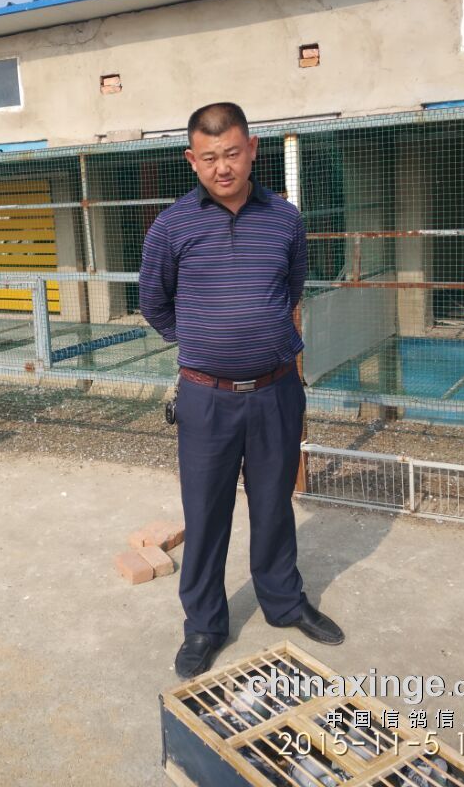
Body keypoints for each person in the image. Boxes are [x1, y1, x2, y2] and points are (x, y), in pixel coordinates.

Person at [139, 102, 345, 679]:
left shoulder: (285, 219)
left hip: (277, 391)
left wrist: (256, 331)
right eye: (209, 158)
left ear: (252, 149)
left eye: (232, 153)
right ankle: (205, 624)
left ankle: (284, 602)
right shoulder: (171, 227)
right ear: (192, 160)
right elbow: (153, 302)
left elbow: (292, 286)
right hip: (206, 398)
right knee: (206, 512)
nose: (222, 167)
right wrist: (205, 342)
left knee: (274, 502)